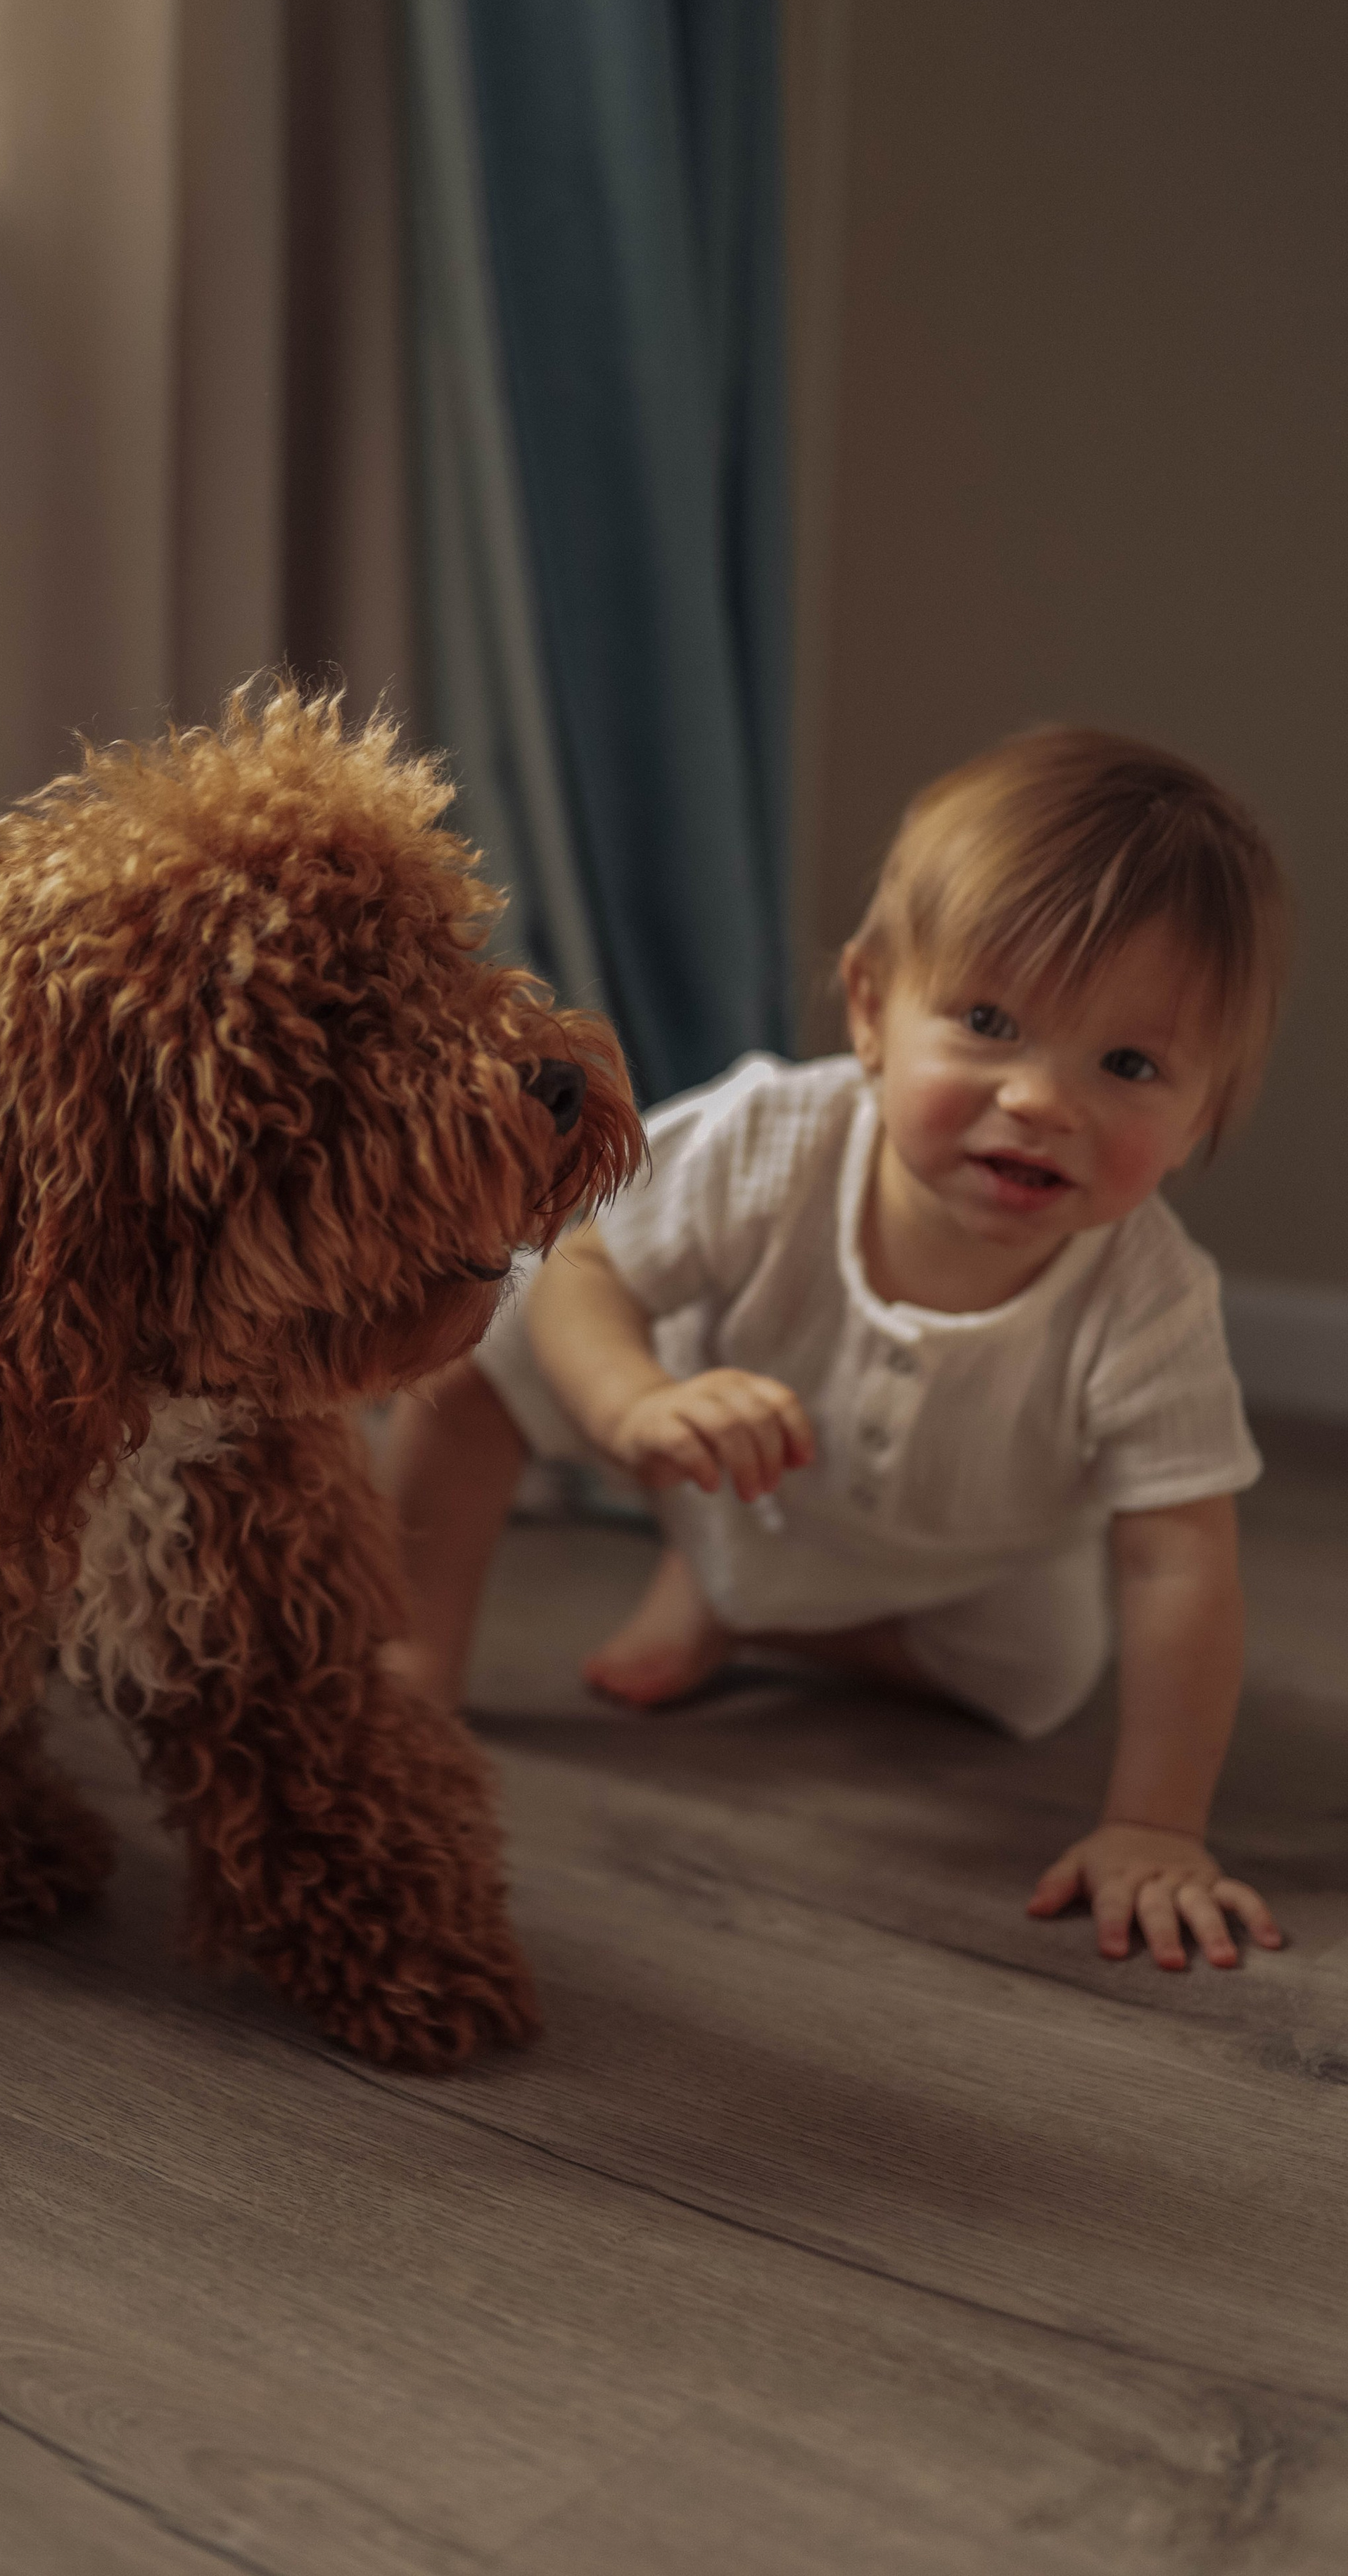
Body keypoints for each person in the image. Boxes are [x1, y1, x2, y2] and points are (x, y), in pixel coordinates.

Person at [383, 728, 1290, 1974]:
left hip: (971, 1565)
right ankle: (414, 1655)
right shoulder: (774, 1139)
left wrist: (1154, 1824)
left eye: (1128, 1064)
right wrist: (637, 1402)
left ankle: (756, 1620)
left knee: (1042, 1681)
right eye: (988, 1021)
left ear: (1205, 1114)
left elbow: (1180, 1561)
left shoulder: (1151, 1299)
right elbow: (585, 1266)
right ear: (871, 1009)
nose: (1041, 1099)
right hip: (713, 1457)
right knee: (481, 1348)